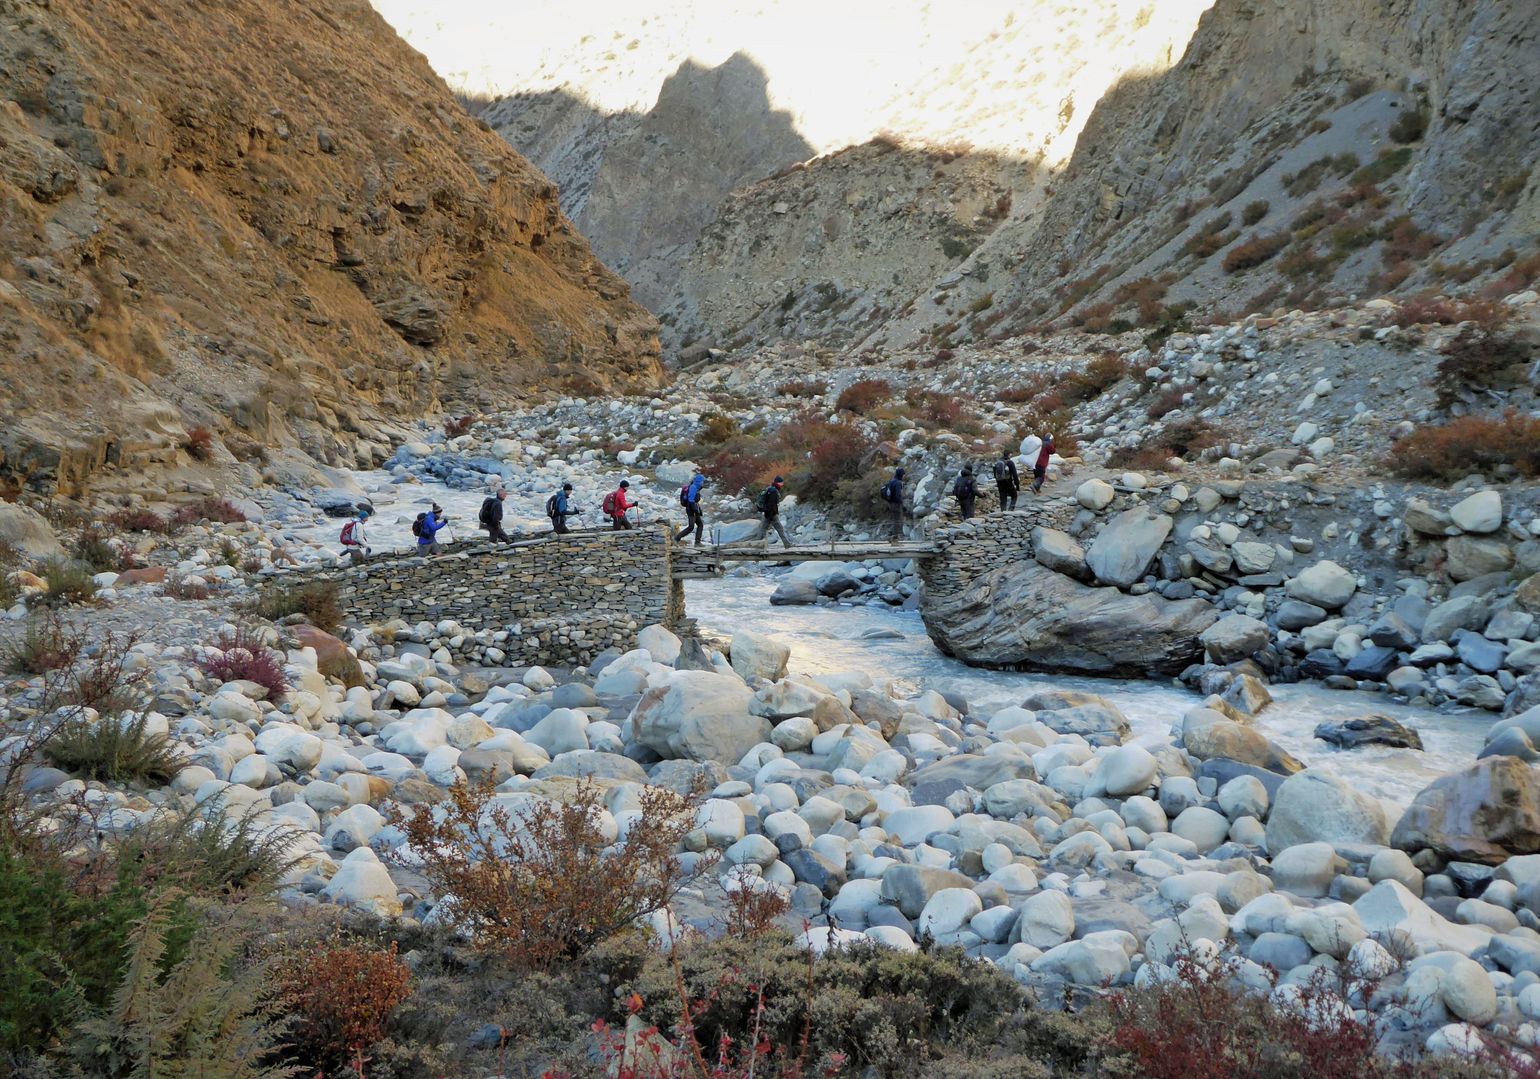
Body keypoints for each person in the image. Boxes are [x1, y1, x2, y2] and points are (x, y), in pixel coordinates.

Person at [753, 475, 792, 547]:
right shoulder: (774, 491)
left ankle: (756, 544)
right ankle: (787, 544)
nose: (782, 484)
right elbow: (771, 505)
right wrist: (771, 515)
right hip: (772, 514)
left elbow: (769, 504)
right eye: (781, 483)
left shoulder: (770, 489)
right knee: (780, 529)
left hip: (767, 513)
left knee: (762, 529)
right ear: (778, 483)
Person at [675, 466, 706, 546]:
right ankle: (677, 538)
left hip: (693, 508)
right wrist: (695, 509)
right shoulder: (693, 487)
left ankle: (697, 542)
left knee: (700, 524)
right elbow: (691, 500)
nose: (703, 483)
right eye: (702, 481)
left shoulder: (696, 487)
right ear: (699, 481)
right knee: (691, 527)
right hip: (691, 509)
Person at [881, 467, 906, 539]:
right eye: (903, 474)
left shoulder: (891, 481)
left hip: (890, 504)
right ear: (900, 474)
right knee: (898, 520)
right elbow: (898, 495)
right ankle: (895, 537)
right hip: (896, 504)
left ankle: (892, 535)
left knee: (894, 520)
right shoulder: (898, 483)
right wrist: (902, 503)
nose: (904, 476)